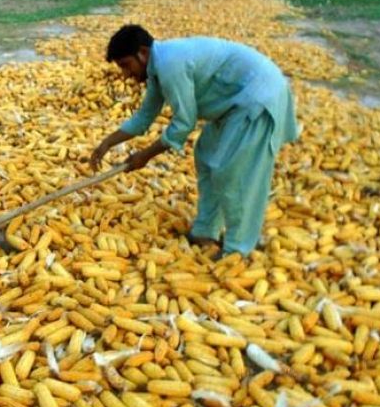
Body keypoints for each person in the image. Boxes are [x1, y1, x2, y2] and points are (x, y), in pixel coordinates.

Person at [91, 25, 298, 258]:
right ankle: (205, 231)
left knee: (233, 173)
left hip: (257, 96)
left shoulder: (170, 65)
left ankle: (238, 249)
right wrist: (107, 143)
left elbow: (183, 123)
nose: (126, 74)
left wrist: (145, 156)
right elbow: (145, 116)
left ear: (143, 53)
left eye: (126, 65)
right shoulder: (159, 67)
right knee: (207, 155)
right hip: (234, 102)